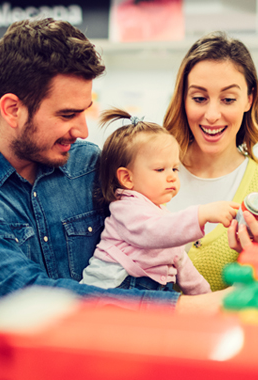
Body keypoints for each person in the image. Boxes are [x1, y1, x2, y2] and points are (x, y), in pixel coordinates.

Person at [0, 18, 227, 380]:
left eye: (84, 111)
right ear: (12, 109)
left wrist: (224, 230)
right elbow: (28, 294)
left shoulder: (89, 165)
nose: (81, 130)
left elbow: (147, 231)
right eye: (67, 114)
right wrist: (187, 309)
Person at [164, 31, 258, 291]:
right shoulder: (146, 172)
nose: (212, 115)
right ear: (183, 99)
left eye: (228, 99)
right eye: (199, 98)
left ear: (249, 99)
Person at [80, 108, 239, 294]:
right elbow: (156, 230)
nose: (172, 177)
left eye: (174, 169)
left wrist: (204, 295)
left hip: (154, 290)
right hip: (112, 289)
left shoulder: (160, 215)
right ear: (127, 178)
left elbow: (180, 260)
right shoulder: (125, 207)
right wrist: (201, 214)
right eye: (160, 170)